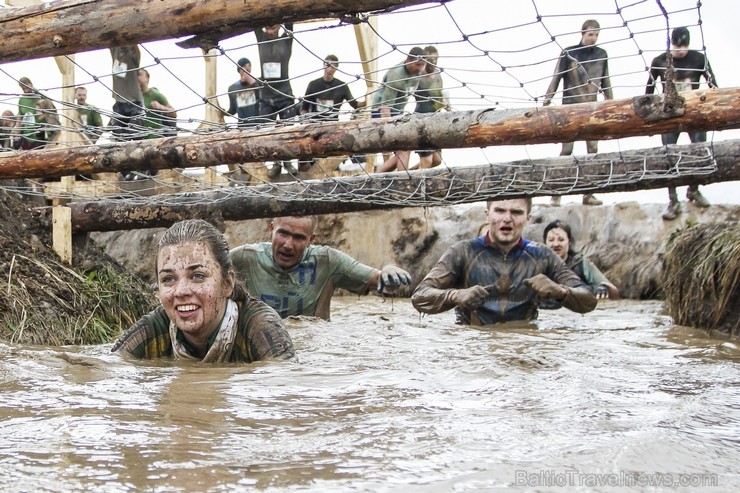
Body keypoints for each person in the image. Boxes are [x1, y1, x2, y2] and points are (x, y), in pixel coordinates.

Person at [112, 219, 294, 362]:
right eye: (168, 279)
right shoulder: (155, 327)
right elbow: (107, 367)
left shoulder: (259, 326)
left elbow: (285, 384)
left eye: (197, 276)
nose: (181, 291)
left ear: (227, 284)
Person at [411, 198, 597, 325]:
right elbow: (420, 296)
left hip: (524, 343)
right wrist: (455, 296)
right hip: (471, 347)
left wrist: (561, 292)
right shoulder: (463, 251)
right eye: (500, 211)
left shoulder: (543, 255)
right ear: (487, 215)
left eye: (516, 212)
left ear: (528, 218)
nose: (507, 219)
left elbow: (588, 300)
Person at [229, 215, 413, 320]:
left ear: (311, 240)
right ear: (271, 229)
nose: (288, 245)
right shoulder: (245, 257)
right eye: (283, 234)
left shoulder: (327, 261)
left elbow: (378, 280)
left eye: (299, 237)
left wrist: (389, 270)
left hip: (311, 350)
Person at [645, 26, 717, 221]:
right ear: (671, 44)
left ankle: (693, 189)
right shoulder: (660, 61)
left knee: (700, 152)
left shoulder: (699, 59)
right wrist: (649, 121)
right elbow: (648, 93)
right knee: (669, 156)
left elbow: (713, 87)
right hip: (668, 115)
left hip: (694, 114)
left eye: (684, 46)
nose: (680, 51)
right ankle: (672, 199)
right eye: (677, 46)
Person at [543, 19, 614, 207]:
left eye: (596, 35)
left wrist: (612, 103)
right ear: (582, 34)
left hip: (593, 109)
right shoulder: (569, 53)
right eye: (590, 34)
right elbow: (556, 77)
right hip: (570, 109)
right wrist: (546, 101)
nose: (594, 38)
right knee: (567, 150)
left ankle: (589, 194)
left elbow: (605, 80)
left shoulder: (601, 54)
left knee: (593, 151)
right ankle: (556, 193)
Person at [300, 54, 366, 171]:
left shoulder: (341, 86)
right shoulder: (313, 85)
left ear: (336, 69)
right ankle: (304, 170)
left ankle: (353, 165)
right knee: (305, 154)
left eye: (333, 66)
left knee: (345, 143)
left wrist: (368, 98)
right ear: (323, 66)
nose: (329, 69)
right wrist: (305, 121)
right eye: (327, 65)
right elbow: (304, 108)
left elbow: (355, 104)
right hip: (315, 127)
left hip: (333, 127)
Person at [373, 47, 428, 173]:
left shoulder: (418, 74)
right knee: (404, 149)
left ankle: (375, 176)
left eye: (422, 65)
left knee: (403, 151)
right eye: (417, 64)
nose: (420, 68)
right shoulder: (396, 75)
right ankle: (402, 183)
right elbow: (385, 107)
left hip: (398, 113)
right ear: (408, 60)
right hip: (382, 112)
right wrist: (388, 127)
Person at [542, 220, 619, 309]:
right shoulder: (537, 264)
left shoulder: (581, 263)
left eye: (561, 240)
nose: (556, 244)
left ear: (569, 242)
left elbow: (614, 293)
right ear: (545, 243)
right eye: (551, 240)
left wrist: (604, 288)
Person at [255, 23, 298, 178]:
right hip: (266, 95)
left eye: (274, 27)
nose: (271, 30)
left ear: (279, 26)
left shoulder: (286, 39)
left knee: (287, 130)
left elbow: (289, 20)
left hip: (284, 93)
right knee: (267, 131)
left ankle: (287, 162)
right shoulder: (261, 38)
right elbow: (255, 21)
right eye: (268, 27)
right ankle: (276, 163)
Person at [410, 45, 448, 170]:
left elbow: (441, 94)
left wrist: (447, 106)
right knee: (427, 161)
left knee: (437, 160)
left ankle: (410, 173)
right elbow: (408, 89)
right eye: (430, 59)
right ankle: (417, 186)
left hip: (436, 118)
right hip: (422, 118)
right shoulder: (419, 75)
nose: (433, 62)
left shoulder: (438, 73)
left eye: (435, 59)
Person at [109, 45, 144, 143]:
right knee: (118, 135)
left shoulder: (133, 54)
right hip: (119, 103)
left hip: (134, 102)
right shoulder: (115, 52)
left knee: (135, 133)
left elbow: (135, 44)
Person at [138, 68, 177, 139]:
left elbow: (174, 114)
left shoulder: (155, 95)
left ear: (147, 78)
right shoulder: (133, 97)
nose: (137, 77)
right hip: (139, 138)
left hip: (155, 137)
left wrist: (161, 107)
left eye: (140, 75)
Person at [225, 57, 262, 128]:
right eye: (244, 66)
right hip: (242, 128)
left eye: (249, 66)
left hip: (258, 126)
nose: (247, 68)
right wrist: (222, 112)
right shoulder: (233, 88)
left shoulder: (259, 83)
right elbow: (232, 110)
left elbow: (263, 100)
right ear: (239, 70)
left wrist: (253, 84)